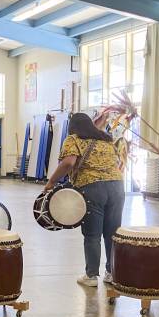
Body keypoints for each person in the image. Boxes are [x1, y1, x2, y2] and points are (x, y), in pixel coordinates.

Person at [44, 113, 124, 287]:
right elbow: (117, 161)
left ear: (72, 127)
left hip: (92, 187)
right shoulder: (106, 139)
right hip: (117, 186)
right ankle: (112, 273)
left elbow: (68, 163)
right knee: (113, 233)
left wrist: (51, 181)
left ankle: (91, 275)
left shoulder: (73, 139)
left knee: (92, 234)